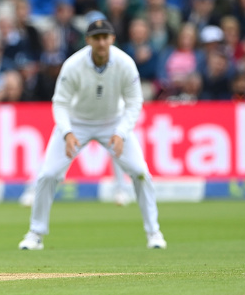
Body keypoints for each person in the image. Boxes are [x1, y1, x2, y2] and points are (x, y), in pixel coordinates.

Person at [18, 20, 167, 250]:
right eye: (96, 38)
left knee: (140, 172)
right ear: (88, 40)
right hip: (77, 123)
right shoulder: (74, 64)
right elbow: (60, 103)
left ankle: (154, 233)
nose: (101, 42)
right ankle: (35, 234)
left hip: (113, 122)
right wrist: (67, 132)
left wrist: (121, 132)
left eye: (105, 37)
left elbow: (135, 101)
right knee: (48, 174)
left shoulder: (125, 63)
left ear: (112, 39)